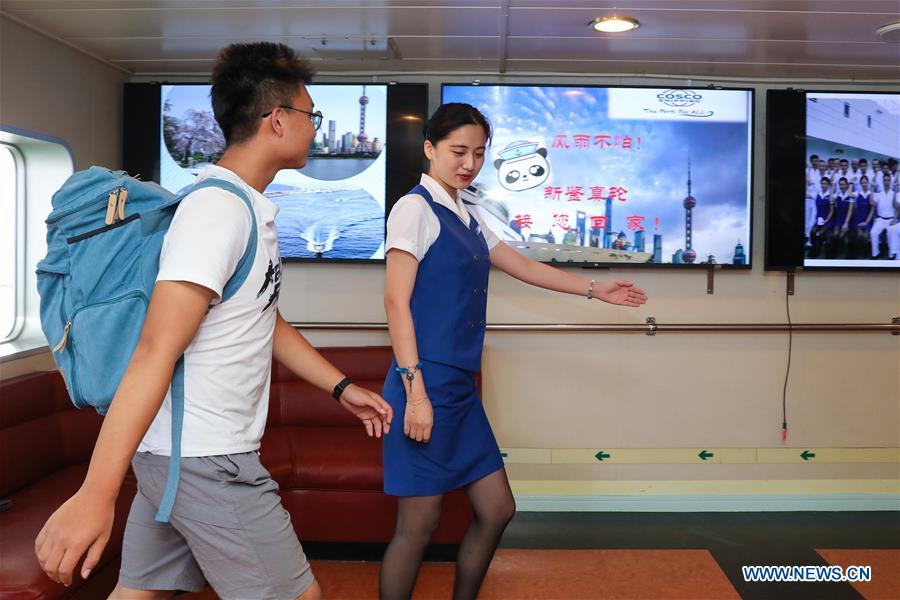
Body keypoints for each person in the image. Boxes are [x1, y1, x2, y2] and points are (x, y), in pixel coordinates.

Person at [34, 42, 393, 600]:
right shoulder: (217, 211)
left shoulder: (245, 207)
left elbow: (261, 316)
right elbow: (156, 348)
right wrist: (96, 492)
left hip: (182, 452)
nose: (315, 127)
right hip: (205, 458)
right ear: (277, 120)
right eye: (310, 114)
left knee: (138, 595)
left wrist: (340, 387)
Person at [379, 103, 647, 600]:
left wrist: (594, 288)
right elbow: (396, 302)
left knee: (498, 508)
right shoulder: (413, 208)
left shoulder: (469, 211)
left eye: (479, 153)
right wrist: (415, 392)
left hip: (458, 389)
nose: (469, 163)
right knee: (418, 525)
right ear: (430, 148)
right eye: (458, 151)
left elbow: (521, 265)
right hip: (424, 384)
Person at [870, 173, 899, 259]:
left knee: (890, 233)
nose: (886, 182)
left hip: (891, 219)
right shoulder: (879, 194)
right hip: (880, 220)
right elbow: (872, 202)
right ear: (882, 181)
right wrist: (872, 188)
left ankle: (891, 255)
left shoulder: (894, 193)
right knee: (873, 232)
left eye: (888, 180)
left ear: (890, 181)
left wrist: (895, 218)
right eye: (885, 180)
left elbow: (898, 208)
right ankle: (875, 254)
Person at [851, 175, 875, 258]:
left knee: (865, 236)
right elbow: (849, 194)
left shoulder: (871, 194)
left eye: (865, 182)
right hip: (858, 219)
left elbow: (872, 210)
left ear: (868, 183)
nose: (864, 184)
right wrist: (851, 182)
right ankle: (858, 251)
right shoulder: (858, 193)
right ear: (860, 184)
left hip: (867, 220)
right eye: (862, 183)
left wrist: (866, 222)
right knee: (860, 235)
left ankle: (865, 252)